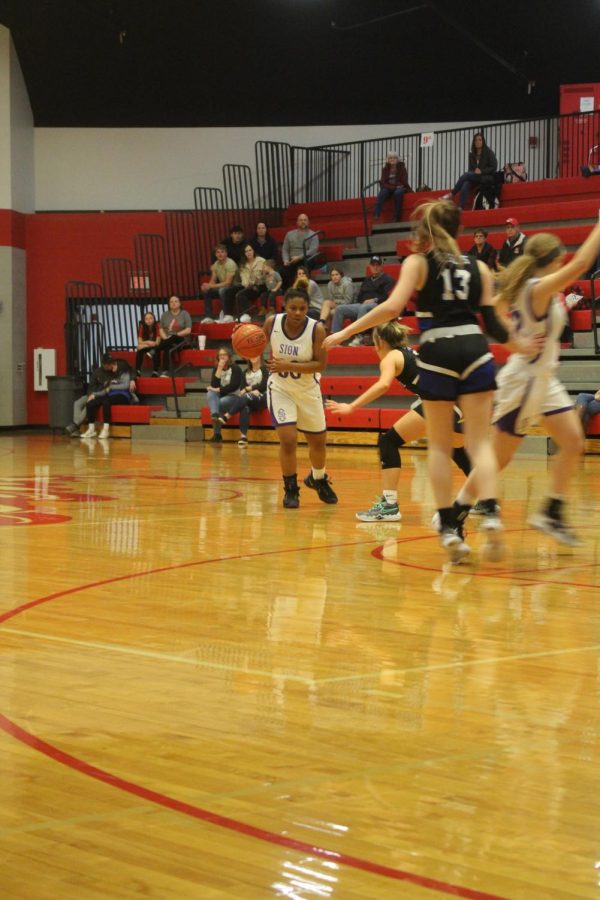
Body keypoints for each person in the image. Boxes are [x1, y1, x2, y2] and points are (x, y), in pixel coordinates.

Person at [324, 199, 511, 564]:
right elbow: (496, 326)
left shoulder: (418, 262)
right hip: (476, 347)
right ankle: (490, 512)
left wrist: (345, 331)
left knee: (440, 448)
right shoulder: (480, 267)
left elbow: (392, 308)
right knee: (478, 443)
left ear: (423, 231)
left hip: (439, 349)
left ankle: (447, 529)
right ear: (457, 229)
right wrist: (523, 344)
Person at [460, 222, 600, 546]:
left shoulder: (535, 288)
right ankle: (455, 512)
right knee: (498, 459)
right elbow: (582, 264)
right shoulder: (537, 289)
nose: (565, 262)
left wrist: (515, 338)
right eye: (561, 258)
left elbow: (496, 313)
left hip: (544, 380)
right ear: (553, 259)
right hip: (523, 382)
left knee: (574, 442)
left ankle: (551, 510)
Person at [326, 320, 471, 521]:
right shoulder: (409, 352)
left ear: (380, 342)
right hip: (461, 404)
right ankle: (486, 499)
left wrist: (352, 406)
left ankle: (389, 505)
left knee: (388, 441)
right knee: (455, 449)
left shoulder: (390, 357)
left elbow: (383, 385)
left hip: (441, 404)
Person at [264, 287, 337, 508]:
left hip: (308, 391)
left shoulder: (317, 330)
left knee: (318, 442)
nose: (297, 312)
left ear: (308, 309)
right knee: (288, 440)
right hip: (281, 389)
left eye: (302, 309)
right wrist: (240, 339)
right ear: (285, 306)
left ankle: (317, 479)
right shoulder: (271, 323)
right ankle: (291, 489)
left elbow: (321, 365)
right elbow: (253, 344)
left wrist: (286, 364)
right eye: (293, 308)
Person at [330, 256, 395, 344]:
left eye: (377, 265)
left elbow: (388, 296)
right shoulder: (367, 280)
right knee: (340, 308)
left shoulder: (388, 279)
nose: (375, 267)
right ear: (370, 266)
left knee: (363, 308)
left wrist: (374, 299)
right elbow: (360, 296)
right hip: (362, 304)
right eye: (373, 265)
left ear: (381, 266)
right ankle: (336, 338)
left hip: (379, 305)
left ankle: (359, 336)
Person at [216, 356, 269, 446]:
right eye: (251, 355)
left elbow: (264, 385)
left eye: (255, 354)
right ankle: (243, 437)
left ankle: (227, 415)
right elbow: (241, 389)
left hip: (263, 397)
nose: (253, 357)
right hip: (250, 399)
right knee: (245, 407)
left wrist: (250, 388)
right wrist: (252, 391)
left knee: (246, 396)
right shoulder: (245, 372)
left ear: (260, 356)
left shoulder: (264, 369)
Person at [81, 357, 137, 440]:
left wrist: (111, 386)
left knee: (106, 402)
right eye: (113, 366)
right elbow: (105, 391)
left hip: (123, 395)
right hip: (110, 394)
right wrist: (94, 395)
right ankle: (91, 429)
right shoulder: (110, 374)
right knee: (90, 403)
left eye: (114, 366)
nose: (113, 368)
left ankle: (106, 429)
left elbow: (125, 386)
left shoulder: (124, 372)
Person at [444, 132, 498, 210]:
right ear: (474, 142)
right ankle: (460, 207)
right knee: (465, 184)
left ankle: (452, 193)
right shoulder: (472, 155)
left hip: (486, 177)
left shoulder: (489, 152)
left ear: (483, 142)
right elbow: (471, 170)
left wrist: (481, 171)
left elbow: (494, 167)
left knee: (466, 175)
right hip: (475, 177)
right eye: (476, 140)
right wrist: (474, 172)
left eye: (480, 140)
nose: (478, 142)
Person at [65, 353, 115, 436]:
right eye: (108, 364)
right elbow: (90, 387)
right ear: (103, 364)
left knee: (88, 405)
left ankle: (75, 425)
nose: (110, 365)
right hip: (92, 393)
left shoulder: (114, 373)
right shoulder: (97, 372)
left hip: (101, 396)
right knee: (77, 403)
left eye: (111, 363)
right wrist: (90, 395)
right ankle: (77, 428)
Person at [205, 347, 243, 443]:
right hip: (221, 395)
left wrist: (218, 389)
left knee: (219, 403)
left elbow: (233, 386)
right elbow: (214, 384)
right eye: (220, 355)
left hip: (234, 397)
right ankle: (215, 414)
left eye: (224, 354)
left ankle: (217, 434)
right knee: (210, 393)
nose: (222, 357)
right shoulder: (217, 368)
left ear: (229, 356)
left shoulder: (236, 368)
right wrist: (219, 368)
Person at [200, 244, 239, 323]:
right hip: (224, 286)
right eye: (218, 252)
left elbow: (228, 283)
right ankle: (209, 317)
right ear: (215, 254)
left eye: (222, 252)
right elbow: (213, 280)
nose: (220, 254)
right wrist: (207, 286)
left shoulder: (230, 263)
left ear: (226, 253)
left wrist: (210, 285)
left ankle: (227, 315)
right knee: (208, 291)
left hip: (236, 286)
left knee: (222, 291)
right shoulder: (216, 264)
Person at [281, 213, 322, 289]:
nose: (303, 222)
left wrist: (299, 257)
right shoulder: (289, 234)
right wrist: (286, 260)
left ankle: (305, 288)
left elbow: (313, 250)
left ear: (308, 222)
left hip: (306, 259)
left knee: (304, 267)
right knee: (283, 271)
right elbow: (285, 249)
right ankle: (288, 291)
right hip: (292, 260)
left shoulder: (313, 234)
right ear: (297, 222)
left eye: (305, 220)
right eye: (301, 220)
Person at [158, 295, 192, 375]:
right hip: (168, 339)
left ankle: (156, 350)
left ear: (180, 303)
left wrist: (176, 334)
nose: (173, 303)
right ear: (169, 304)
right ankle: (162, 371)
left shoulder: (185, 314)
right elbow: (161, 329)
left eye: (176, 301)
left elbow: (188, 330)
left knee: (163, 344)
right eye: (171, 302)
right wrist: (166, 338)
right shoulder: (164, 315)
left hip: (181, 338)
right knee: (167, 346)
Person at [373, 151, 412, 222]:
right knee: (383, 192)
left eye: (394, 158)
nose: (392, 159)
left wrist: (395, 187)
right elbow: (383, 182)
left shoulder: (402, 168)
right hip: (390, 188)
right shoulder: (385, 169)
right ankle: (376, 214)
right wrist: (393, 187)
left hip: (400, 187)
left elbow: (404, 181)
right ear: (388, 160)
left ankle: (397, 216)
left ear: (397, 159)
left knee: (397, 193)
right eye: (390, 158)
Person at [235, 244, 266, 322]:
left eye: (250, 250)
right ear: (244, 253)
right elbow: (243, 279)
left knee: (240, 294)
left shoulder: (261, 261)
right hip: (249, 286)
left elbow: (266, 275)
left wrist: (258, 280)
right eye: (246, 251)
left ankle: (246, 315)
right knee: (235, 292)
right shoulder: (242, 265)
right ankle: (232, 315)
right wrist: (248, 284)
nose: (248, 252)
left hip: (261, 285)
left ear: (253, 251)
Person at [319, 266, 354, 331]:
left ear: (341, 275)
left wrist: (336, 302)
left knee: (330, 312)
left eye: (337, 274)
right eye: (332, 275)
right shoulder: (330, 284)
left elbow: (348, 302)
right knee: (326, 302)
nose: (334, 277)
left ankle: (328, 331)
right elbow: (331, 299)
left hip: (348, 306)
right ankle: (321, 322)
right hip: (337, 305)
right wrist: (336, 302)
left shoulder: (347, 284)